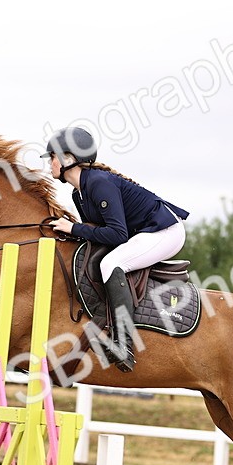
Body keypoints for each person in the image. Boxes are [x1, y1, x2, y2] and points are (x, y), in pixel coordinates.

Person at [42, 126, 189, 372]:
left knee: (112, 263)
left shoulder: (98, 183)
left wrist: (74, 228)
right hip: (143, 233)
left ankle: (124, 345)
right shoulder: (79, 193)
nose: (50, 163)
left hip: (165, 232)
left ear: (68, 159)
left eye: (53, 157)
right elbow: (98, 232)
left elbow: (117, 235)